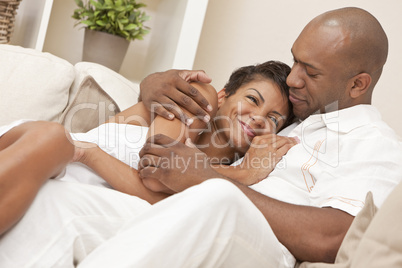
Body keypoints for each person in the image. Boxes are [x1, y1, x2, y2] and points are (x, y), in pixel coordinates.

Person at [0, 6, 401, 268]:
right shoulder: (297, 110)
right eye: (295, 60)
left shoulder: (375, 143)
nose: (294, 78)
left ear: (357, 85)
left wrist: (209, 178)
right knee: (59, 201)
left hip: (257, 244)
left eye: (309, 72)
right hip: (184, 210)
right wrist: (154, 83)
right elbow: (223, 102)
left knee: (218, 199)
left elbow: (335, 236)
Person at [0, 61, 295, 235]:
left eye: (273, 119)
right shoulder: (199, 98)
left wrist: (239, 174)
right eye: (253, 100)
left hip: (61, 179)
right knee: (54, 138)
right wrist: (243, 174)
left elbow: (163, 192)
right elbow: (155, 175)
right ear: (223, 95)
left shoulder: (223, 185)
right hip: (41, 146)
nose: (258, 117)